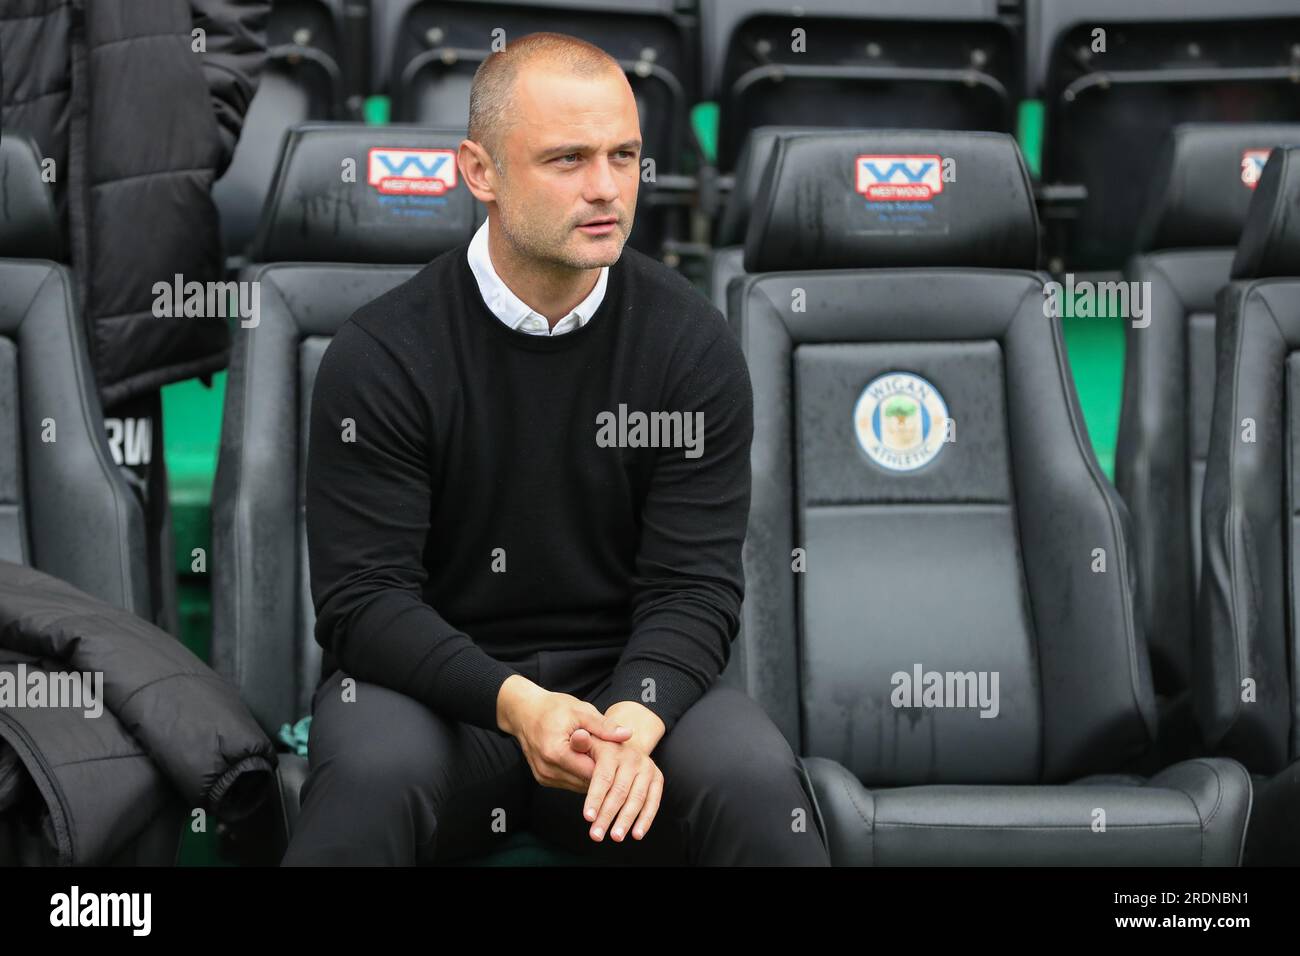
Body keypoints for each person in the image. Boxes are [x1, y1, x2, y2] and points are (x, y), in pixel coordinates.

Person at [283, 32, 830, 866]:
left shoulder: (691, 346)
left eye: (624, 156)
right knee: (369, 783)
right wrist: (515, 703)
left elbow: (695, 588)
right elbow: (364, 604)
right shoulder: (384, 354)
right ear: (481, 172)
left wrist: (635, 721)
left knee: (756, 786)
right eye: (568, 159)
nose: (607, 188)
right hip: (442, 699)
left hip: (627, 688)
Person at [0, 0, 270, 632]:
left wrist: (190, 132)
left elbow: (230, 21)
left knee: (119, 563)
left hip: (125, 214)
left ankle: (131, 726)